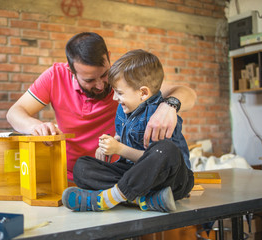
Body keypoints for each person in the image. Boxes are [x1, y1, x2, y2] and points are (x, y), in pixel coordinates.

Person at [6, 32, 196, 181]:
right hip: (76, 173)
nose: (101, 85)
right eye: (89, 80)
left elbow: (186, 92)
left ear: (108, 57)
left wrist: (169, 106)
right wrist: (34, 126)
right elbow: (14, 113)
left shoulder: (123, 80)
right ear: (71, 70)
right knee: (84, 169)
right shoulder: (55, 76)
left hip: (122, 171)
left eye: (104, 75)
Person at [62, 49, 194, 213]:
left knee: (166, 149)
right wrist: (111, 144)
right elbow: (124, 135)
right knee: (82, 167)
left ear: (143, 93)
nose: (114, 98)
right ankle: (144, 199)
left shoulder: (161, 117)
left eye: (120, 93)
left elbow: (159, 160)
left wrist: (120, 150)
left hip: (171, 179)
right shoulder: (124, 108)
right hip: (136, 176)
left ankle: (108, 198)